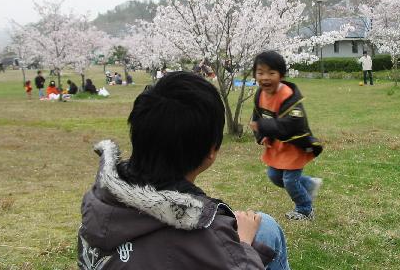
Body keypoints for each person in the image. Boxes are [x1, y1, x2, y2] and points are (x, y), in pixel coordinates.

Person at [77, 72, 290, 269]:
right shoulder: (210, 235)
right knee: (265, 228)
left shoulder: (99, 198)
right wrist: (244, 242)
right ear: (211, 151)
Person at [250, 51, 323, 221]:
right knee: (274, 176)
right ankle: (309, 184)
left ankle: (305, 209)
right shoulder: (260, 94)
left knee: (290, 181)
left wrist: (263, 126)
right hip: (277, 146)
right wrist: (261, 135)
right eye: (260, 73)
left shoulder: (289, 96)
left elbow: (292, 125)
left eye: (271, 73)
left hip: (295, 144)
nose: (265, 78)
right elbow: (257, 117)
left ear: (281, 75)